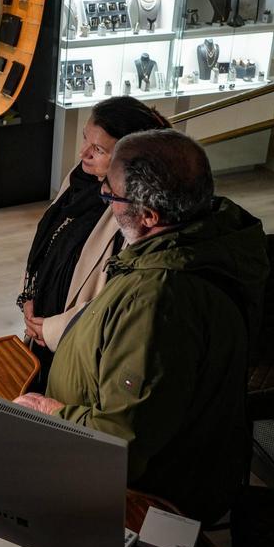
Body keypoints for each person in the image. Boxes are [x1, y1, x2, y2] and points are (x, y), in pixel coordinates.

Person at [14, 129, 268, 524]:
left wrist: (53, 412)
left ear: (149, 215)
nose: (106, 202)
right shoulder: (189, 246)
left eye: (110, 196)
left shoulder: (159, 301)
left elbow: (122, 443)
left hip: (143, 496)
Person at [18, 97, 169, 389]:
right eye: (86, 138)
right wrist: (28, 295)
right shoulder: (79, 179)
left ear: (130, 159)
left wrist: (52, 328)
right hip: (43, 328)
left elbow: (116, 301)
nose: (83, 152)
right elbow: (48, 242)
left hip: (78, 346)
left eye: (98, 149)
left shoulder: (130, 211)